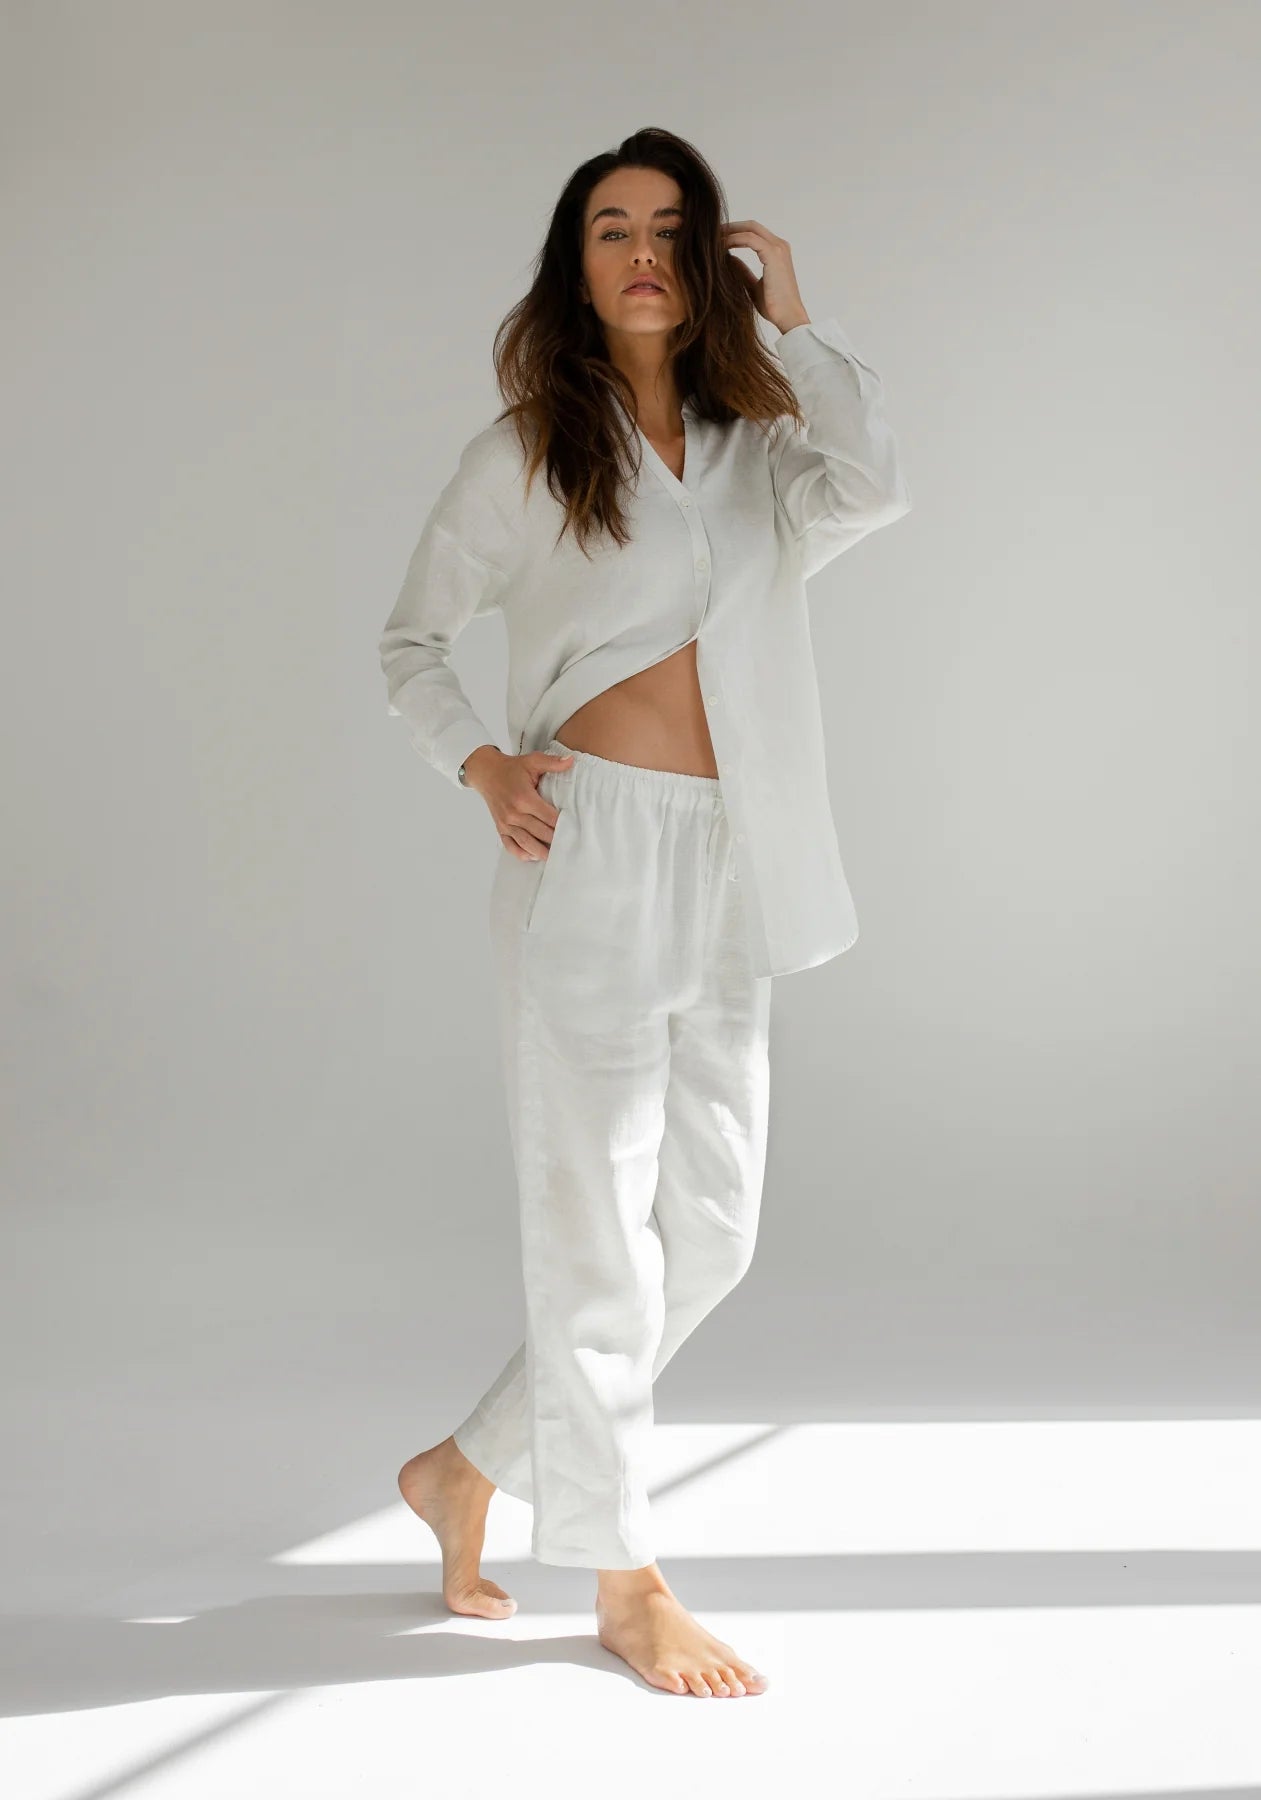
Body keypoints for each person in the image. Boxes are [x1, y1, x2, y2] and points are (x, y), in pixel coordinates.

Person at [379, 126, 912, 1699]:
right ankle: (625, 1582)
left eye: (671, 229)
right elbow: (409, 643)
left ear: (706, 260)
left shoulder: (762, 453)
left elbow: (878, 484)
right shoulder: (527, 452)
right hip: (589, 850)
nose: (641, 253)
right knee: (597, 1229)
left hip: (732, 855)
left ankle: (466, 1467)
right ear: (576, 260)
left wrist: (796, 321)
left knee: (714, 1232)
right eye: (611, 227)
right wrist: (479, 762)